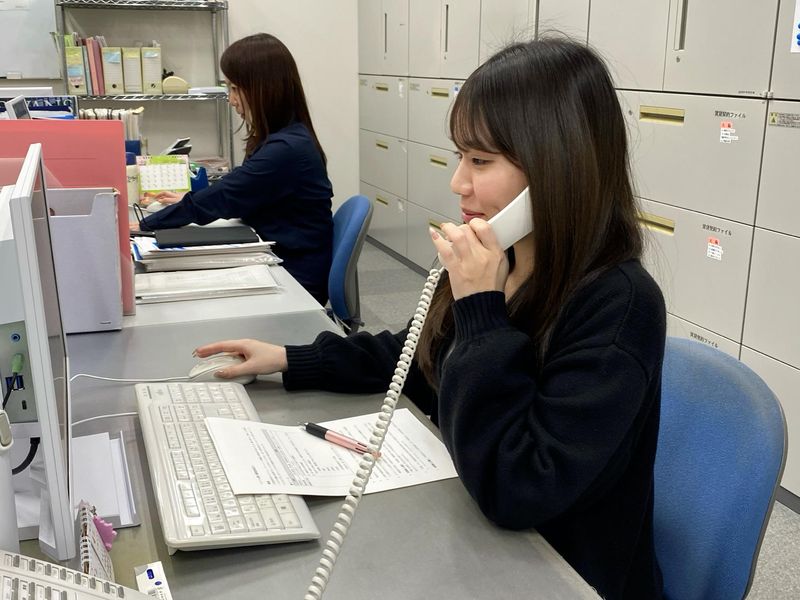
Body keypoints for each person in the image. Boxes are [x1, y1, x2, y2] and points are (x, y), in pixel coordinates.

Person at [195, 38, 666, 599]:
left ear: (558, 168)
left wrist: (481, 309)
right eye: (460, 156)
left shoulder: (618, 305)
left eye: (480, 161)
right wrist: (292, 358)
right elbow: (418, 354)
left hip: (561, 572)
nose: (458, 182)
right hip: (478, 540)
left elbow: (519, 486)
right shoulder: (501, 256)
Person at [135, 33, 334, 305]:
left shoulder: (286, 149)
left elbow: (226, 196)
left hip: (295, 278)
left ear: (265, 89)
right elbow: (241, 193)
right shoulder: (285, 138)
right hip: (282, 258)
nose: (230, 99)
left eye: (235, 88)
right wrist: (189, 201)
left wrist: (143, 225)